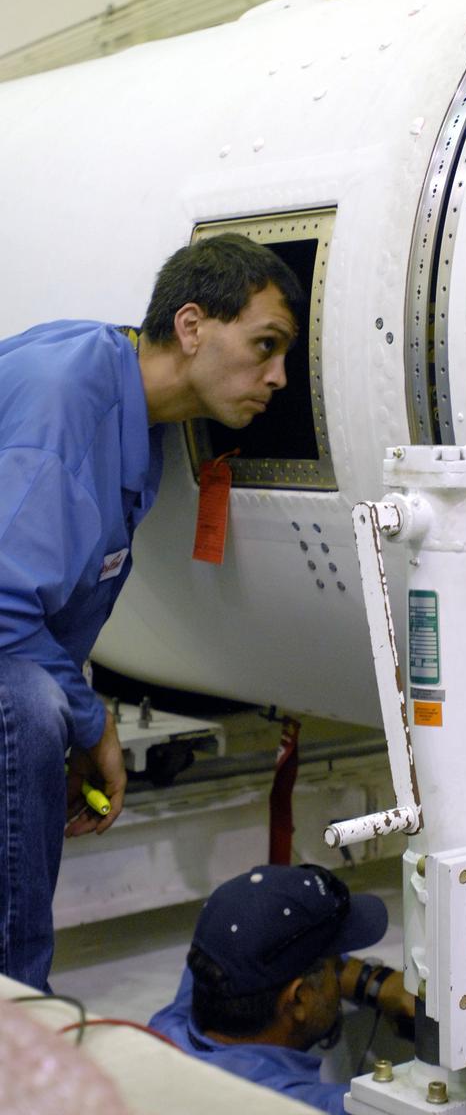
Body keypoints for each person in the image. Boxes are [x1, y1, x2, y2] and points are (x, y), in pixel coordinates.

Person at [0, 232, 302, 991]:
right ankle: (18, 1008)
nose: (278, 377)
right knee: (30, 705)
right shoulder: (67, 402)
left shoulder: (135, 415)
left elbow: (48, 599)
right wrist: (88, 720)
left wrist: (79, 722)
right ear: (192, 326)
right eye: (265, 346)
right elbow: (3, 604)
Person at [149, 864, 413, 1112]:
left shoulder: (182, 1012)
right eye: (335, 968)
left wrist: (374, 983)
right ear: (299, 999)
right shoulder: (296, 1106)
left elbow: (250, 944)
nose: (341, 972)